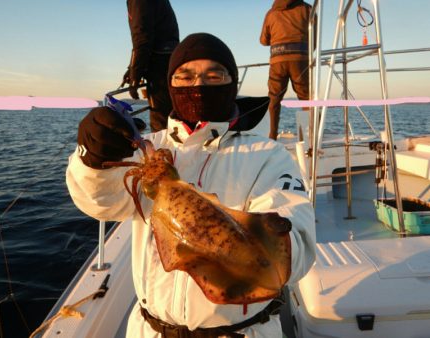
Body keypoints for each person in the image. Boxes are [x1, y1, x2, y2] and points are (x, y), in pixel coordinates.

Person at [67, 33, 315, 338]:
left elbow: (296, 244)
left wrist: (204, 225)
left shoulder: (268, 155)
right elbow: (101, 202)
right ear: (171, 86)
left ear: (232, 84)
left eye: (214, 75)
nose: (198, 85)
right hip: (150, 330)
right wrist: (92, 159)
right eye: (185, 76)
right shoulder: (151, 147)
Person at [121, 0, 179, 132]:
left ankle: (165, 149)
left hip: (160, 64)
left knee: (161, 116)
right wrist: (132, 68)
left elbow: (141, 36)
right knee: (171, 112)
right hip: (169, 57)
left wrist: (135, 74)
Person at [260, 0, 313, 140]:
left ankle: (272, 136)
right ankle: (309, 137)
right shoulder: (307, 9)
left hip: (278, 60)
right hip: (300, 60)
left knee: (274, 99)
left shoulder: (271, 13)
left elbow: (263, 41)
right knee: (306, 98)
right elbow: (315, 38)